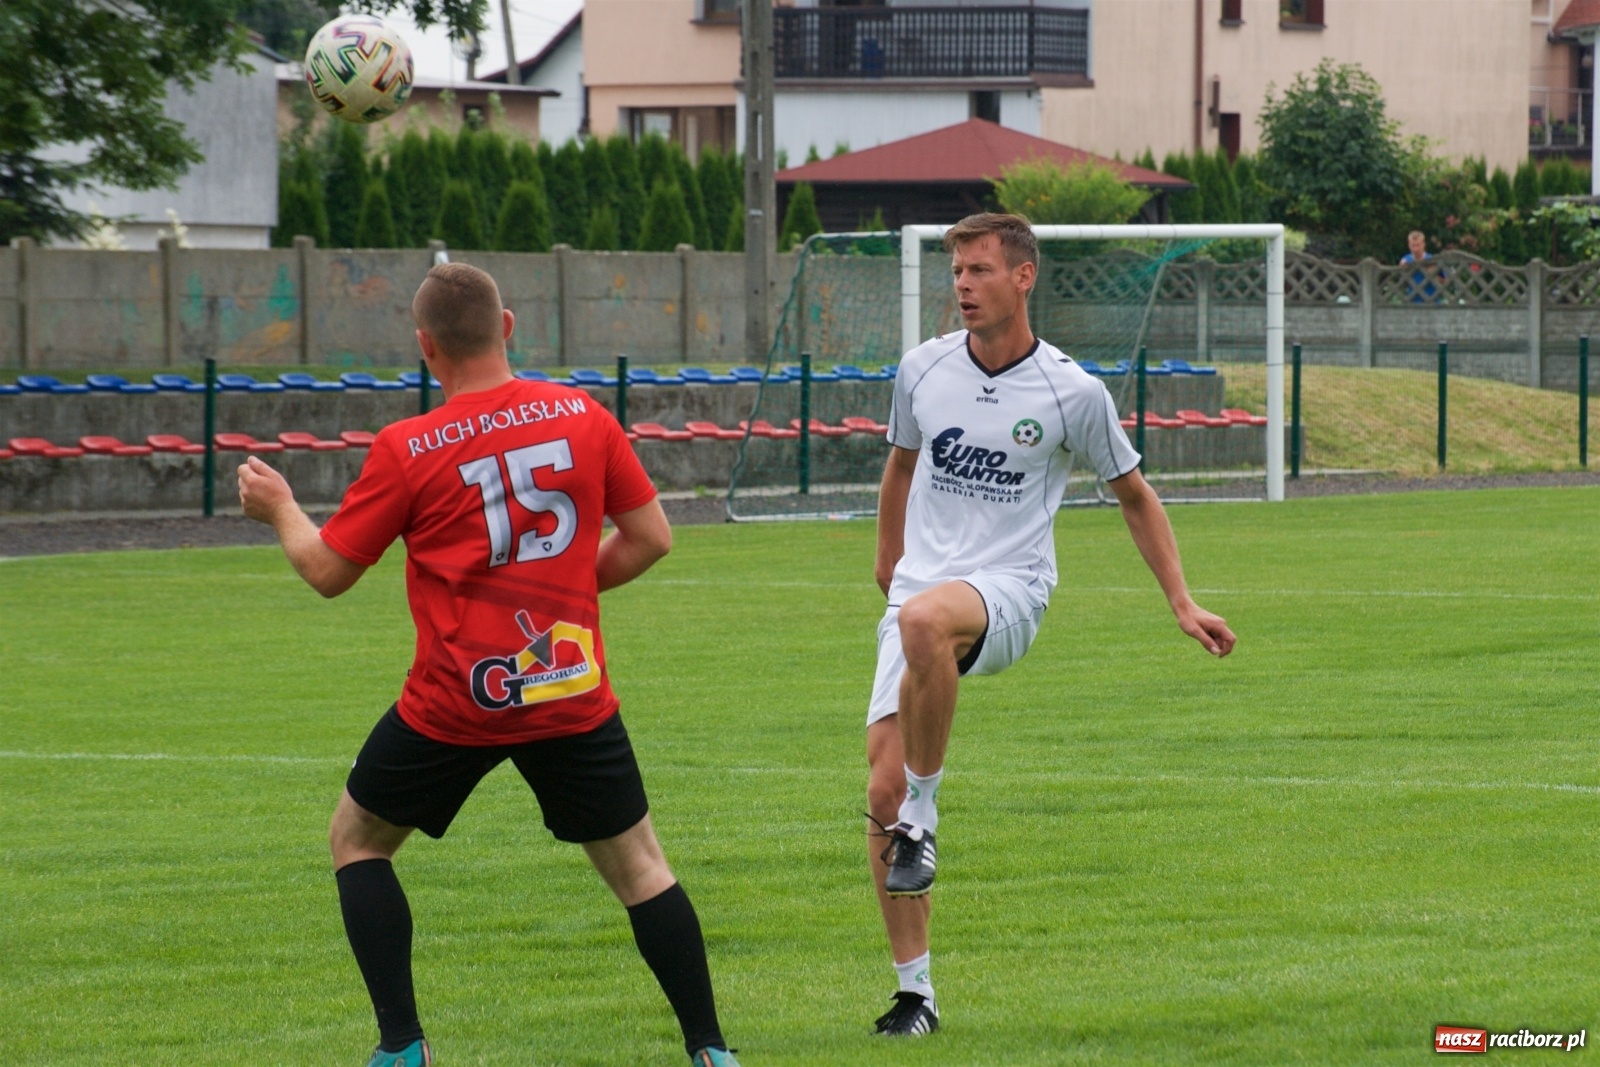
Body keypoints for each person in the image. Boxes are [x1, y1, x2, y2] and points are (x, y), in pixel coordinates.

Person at [238, 262, 741, 1067]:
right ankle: (711, 1050)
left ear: (426, 347)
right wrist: (564, 591)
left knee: (357, 840)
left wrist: (281, 508)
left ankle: (402, 1046)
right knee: (642, 869)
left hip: (456, 700)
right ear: (507, 327)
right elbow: (652, 538)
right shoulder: (582, 415)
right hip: (566, 686)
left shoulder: (407, 447)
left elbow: (328, 572)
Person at [863, 213, 1237, 1037]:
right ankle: (916, 995)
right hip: (920, 593)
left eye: (980, 270)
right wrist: (889, 556)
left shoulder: (1073, 391)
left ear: (1023, 277)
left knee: (924, 633)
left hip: (1012, 589)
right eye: (957, 272)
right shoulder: (922, 369)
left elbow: (1134, 494)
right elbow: (900, 462)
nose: (964, 285)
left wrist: (1182, 601)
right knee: (879, 787)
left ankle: (925, 815)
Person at [1401, 230, 1445, 303]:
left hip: (1432, 302)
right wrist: (1403, 271)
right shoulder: (1406, 260)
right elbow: (1402, 285)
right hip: (1412, 302)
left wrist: (1433, 275)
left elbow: (1444, 281)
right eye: (1413, 245)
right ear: (1409, 245)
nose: (1415, 249)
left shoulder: (1432, 260)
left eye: (1418, 245)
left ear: (1423, 244)